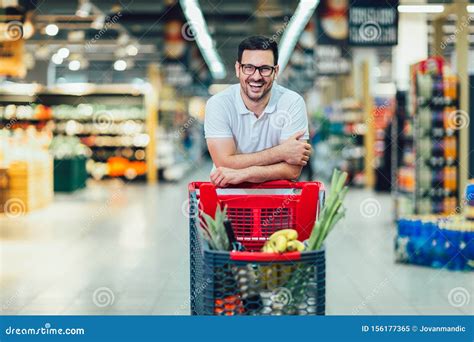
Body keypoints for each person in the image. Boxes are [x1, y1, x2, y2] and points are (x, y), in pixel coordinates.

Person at [204, 35, 312, 187]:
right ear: (238, 69)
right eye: (249, 68)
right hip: (227, 198)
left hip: (279, 200)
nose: (256, 76)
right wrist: (280, 153)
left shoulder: (292, 102)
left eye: (265, 69)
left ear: (276, 71)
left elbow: (293, 170)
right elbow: (223, 163)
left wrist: (244, 173)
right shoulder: (218, 104)